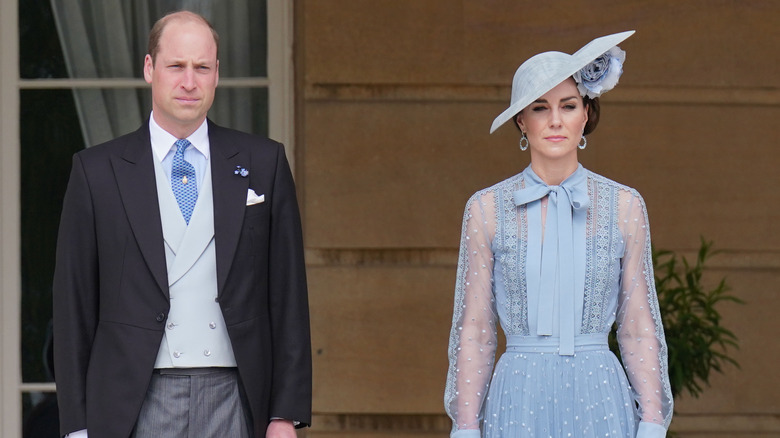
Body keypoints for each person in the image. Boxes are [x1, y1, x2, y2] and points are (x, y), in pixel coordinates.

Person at [53, 10, 311, 438]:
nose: (189, 82)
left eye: (202, 67)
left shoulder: (263, 162)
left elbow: (288, 297)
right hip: (134, 402)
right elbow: (73, 306)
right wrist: (77, 426)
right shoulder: (96, 171)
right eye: (176, 66)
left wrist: (285, 413)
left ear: (216, 74)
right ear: (150, 68)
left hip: (239, 397)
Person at [444, 31, 673, 438]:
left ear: (585, 114)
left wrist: (652, 423)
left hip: (600, 393)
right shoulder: (485, 209)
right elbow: (475, 328)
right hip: (518, 394)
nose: (554, 120)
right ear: (521, 120)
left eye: (568, 106)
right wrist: (465, 427)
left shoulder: (625, 205)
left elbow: (638, 324)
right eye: (539, 107)